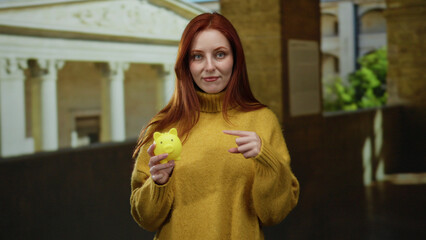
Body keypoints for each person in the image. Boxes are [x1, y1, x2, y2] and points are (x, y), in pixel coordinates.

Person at [130, 12, 299, 240]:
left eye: (220, 54)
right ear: (186, 64)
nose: (209, 67)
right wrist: (158, 184)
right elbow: (146, 220)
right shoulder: (162, 127)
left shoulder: (262, 120)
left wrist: (266, 158)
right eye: (197, 57)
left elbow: (273, 215)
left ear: (235, 59)